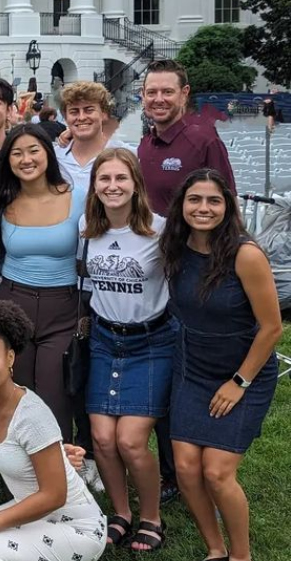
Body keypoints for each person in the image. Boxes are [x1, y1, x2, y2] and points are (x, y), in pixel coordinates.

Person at [160, 170, 281, 561]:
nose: (203, 208)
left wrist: (239, 382)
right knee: (185, 467)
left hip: (244, 371)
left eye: (214, 200)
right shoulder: (175, 247)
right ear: (181, 204)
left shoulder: (245, 254)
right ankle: (215, 549)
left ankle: (241, 556)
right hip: (192, 368)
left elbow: (272, 327)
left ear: (227, 206)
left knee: (216, 471)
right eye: (194, 199)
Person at [0, 300, 105, 561]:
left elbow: (54, 495)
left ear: (10, 357)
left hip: (75, 525)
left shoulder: (31, 414)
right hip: (32, 513)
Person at [78, 148, 172, 552]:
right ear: (95, 186)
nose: (112, 187)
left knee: (131, 441)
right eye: (104, 179)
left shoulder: (161, 229)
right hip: (103, 338)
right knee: (101, 438)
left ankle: (151, 516)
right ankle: (121, 513)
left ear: (136, 184)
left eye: (120, 179)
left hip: (150, 342)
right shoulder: (88, 227)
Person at [0, 125, 86, 441]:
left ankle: (64, 471)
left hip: (62, 306)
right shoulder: (0, 200)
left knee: (55, 393)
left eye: (33, 150)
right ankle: (23, 466)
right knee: (17, 389)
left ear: (48, 154)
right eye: (17, 153)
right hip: (14, 303)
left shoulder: (77, 197)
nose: (26, 159)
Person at [138, 60, 235, 216]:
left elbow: (229, 205)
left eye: (168, 92)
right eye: (151, 92)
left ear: (184, 94)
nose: (159, 99)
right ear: (143, 95)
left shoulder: (205, 142)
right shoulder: (145, 143)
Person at [55, 82, 128, 194]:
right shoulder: (53, 158)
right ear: (65, 117)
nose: (82, 117)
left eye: (89, 110)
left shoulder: (127, 155)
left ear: (103, 114)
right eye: (74, 112)